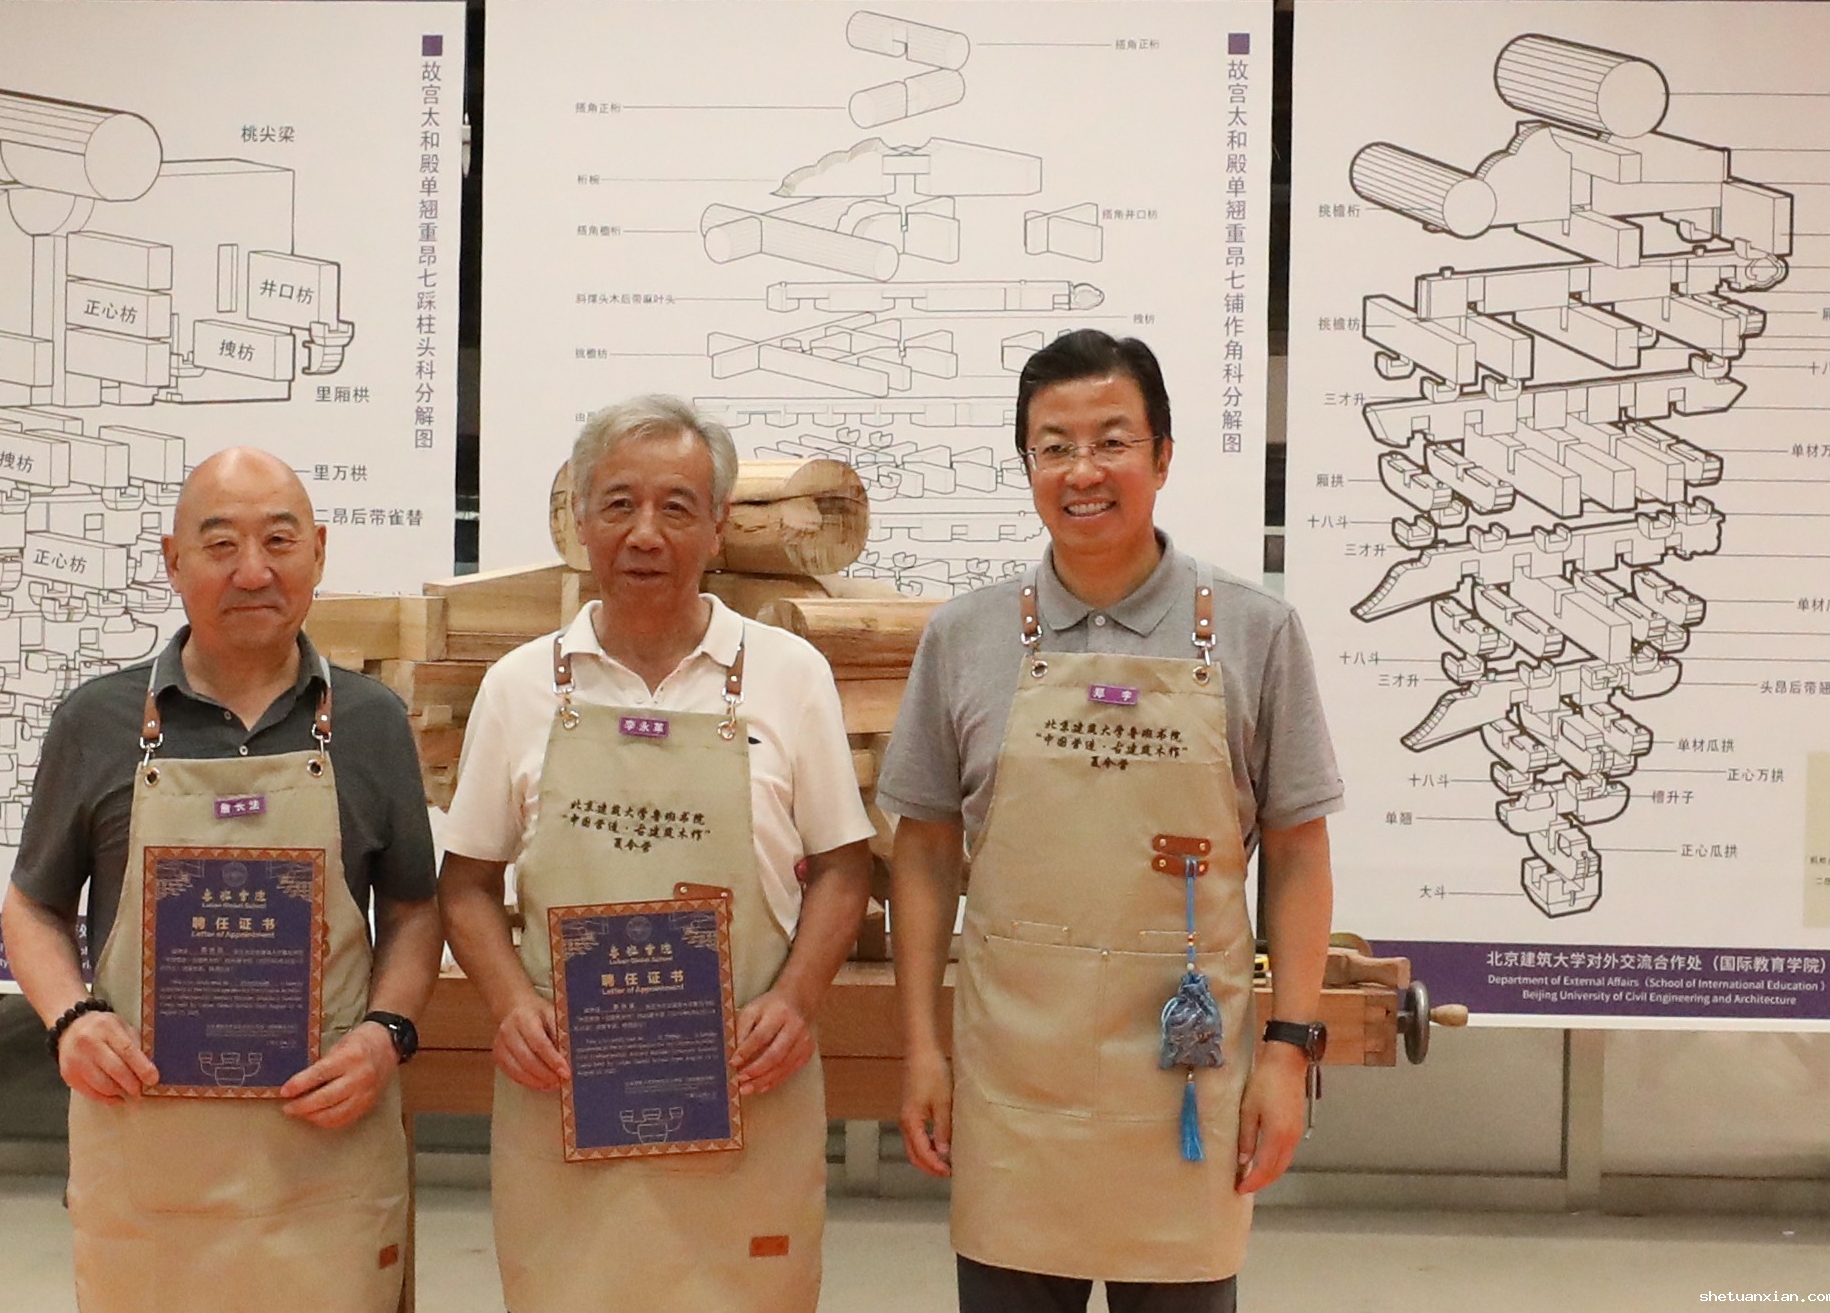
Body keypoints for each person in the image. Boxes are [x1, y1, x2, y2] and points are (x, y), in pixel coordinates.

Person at [881, 331, 1341, 1313]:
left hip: (1184, 1075)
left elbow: (1298, 852)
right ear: (1028, 465)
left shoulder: (1254, 631)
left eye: (1111, 441)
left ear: (1162, 456)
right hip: (1013, 1077)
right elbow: (922, 850)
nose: (1081, 471)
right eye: (1053, 447)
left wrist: (1288, 1050)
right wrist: (921, 1046)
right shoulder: (965, 637)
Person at [439, 394, 873, 1313]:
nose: (645, 534)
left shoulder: (788, 675)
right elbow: (467, 883)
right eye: (618, 505)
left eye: (676, 507)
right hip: (566, 1088)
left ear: (717, 527)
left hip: (746, 1081)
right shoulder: (519, 687)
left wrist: (795, 1001)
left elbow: (843, 866)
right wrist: (511, 1004)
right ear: (580, 523)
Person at [1, 447, 441, 1313]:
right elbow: (32, 905)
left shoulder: (371, 721)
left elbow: (413, 909)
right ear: (173, 560)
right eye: (220, 545)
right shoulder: (97, 721)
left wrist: (385, 1032)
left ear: (319, 551)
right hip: (150, 1152)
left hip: (325, 1158)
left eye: (278, 540)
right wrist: (70, 1020)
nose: (252, 571)